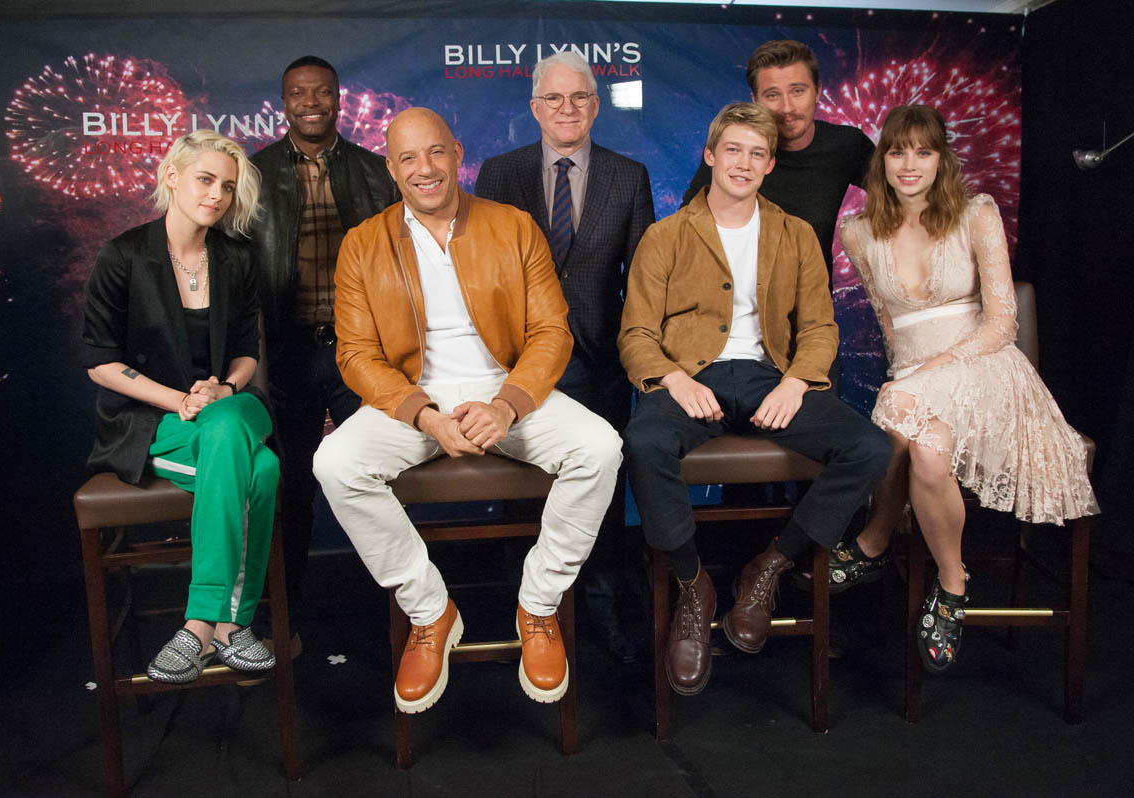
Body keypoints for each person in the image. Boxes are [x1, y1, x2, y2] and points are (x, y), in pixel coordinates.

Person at [313, 108, 622, 713]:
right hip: (413, 397)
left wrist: (507, 405)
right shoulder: (363, 244)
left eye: (435, 152)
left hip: (506, 388)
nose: (424, 168)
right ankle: (429, 611)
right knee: (335, 463)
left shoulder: (513, 226)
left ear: (457, 153)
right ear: (391, 169)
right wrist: (423, 414)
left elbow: (551, 332)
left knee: (601, 448)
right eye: (407, 158)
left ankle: (539, 604)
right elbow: (354, 354)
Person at [619, 103, 891, 696]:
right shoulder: (666, 236)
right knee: (642, 442)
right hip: (693, 377)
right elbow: (636, 332)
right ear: (710, 156)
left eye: (757, 153)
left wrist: (796, 382)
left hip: (772, 377)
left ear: (770, 165)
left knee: (870, 448)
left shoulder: (795, 235)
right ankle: (692, 583)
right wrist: (674, 379)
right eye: (733, 150)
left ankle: (770, 565)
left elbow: (819, 328)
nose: (743, 163)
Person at [837, 104, 1099, 672]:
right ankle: (953, 584)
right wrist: (914, 378)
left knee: (894, 404)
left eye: (923, 151)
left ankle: (874, 540)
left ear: (942, 159)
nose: (910, 164)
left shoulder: (977, 213)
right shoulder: (858, 232)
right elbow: (887, 324)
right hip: (915, 383)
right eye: (897, 151)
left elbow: (1002, 324)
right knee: (927, 452)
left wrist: (933, 371)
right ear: (882, 161)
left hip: (984, 369)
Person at [474, 50, 655, 661]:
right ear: (535, 107)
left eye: (579, 97)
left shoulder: (628, 176)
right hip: (516, 365)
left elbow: (643, 280)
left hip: (601, 363)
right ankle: (526, 613)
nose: (567, 108)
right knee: (525, 493)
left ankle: (600, 612)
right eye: (554, 98)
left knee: (600, 490)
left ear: (596, 106)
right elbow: (480, 274)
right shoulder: (500, 174)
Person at [80, 130, 277, 683]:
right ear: (172, 176)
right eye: (205, 180)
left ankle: (196, 623)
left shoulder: (237, 258)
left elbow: (247, 350)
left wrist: (225, 390)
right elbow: (99, 361)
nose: (217, 195)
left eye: (227, 187)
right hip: (153, 421)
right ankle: (231, 624)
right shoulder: (123, 256)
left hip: (231, 406)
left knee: (228, 423)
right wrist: (180, 401)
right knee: (262, 470)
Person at [249, 55, 399, 630]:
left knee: (375, 479)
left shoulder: (376, 172)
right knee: (287, 489)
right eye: (298, 93)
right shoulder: (252, 174)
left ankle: (396, 618)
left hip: (359, 351)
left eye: (321, 92)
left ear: (338, 100)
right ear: (283, 102)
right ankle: (282, 618)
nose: (310, 102)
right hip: (285, 352)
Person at [681, 39, 874, 278]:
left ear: (818, 91)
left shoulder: (846, 145)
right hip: (732, 295)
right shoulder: (733, 151)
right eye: (772, 95)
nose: (787, 108)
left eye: (798, 91)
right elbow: (685, 225)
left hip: (810, 298)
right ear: (755, 99)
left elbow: (901, 197)